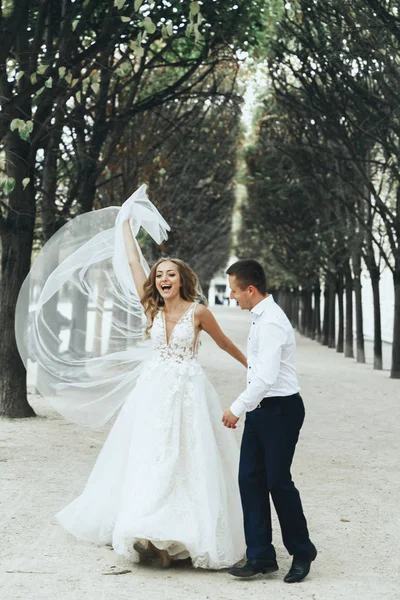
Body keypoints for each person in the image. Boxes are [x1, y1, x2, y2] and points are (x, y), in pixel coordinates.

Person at [16, 186, 247, 570]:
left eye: (170, 274)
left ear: (182, 279)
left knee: (190, 458)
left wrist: (251, 366)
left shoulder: (200, 312)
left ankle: (184, 538)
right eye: (160, 275)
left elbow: (224, 344)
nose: (163, 279)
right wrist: (124, 222)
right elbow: (134, 262)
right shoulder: (151, 307)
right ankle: (151, 536)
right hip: (154, 391)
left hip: (189, 391)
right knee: (150, 456)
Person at [221, 259, 317, 583]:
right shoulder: (259, 317)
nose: (232, 296)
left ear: (250, 289)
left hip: (282, 411)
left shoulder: (272, 321)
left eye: (235, 290)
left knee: (278, 482)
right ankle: (260, 556)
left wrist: (237, 407)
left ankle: (303, 552)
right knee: (249, 480)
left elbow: (266, 376)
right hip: (262, 410)